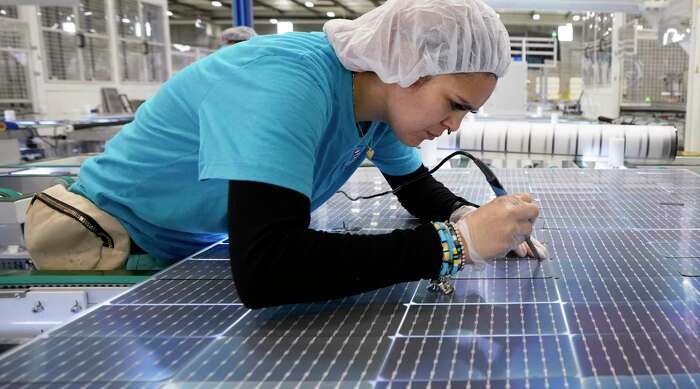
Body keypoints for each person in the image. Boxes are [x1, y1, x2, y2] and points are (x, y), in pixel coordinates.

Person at [23, 0, 546, 308]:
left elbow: (415, 188)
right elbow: (268, 267)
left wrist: (468, 215)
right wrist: (457, 246)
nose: (454, 124)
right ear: (407, 65)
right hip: (109, 244)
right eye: (455, 104)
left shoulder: (379, 104)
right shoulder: (286, 84)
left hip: (190, 247)